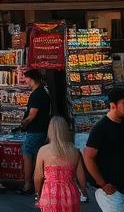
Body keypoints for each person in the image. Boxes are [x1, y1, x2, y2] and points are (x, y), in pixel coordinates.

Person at [82, 88, 124, 212]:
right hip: (110, 191)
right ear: (113, 105)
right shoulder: (100, 128)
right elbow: (88, 156)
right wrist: (102, 184)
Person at [34, 116, 85, 212]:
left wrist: (37, 194)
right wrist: (84, 192)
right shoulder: (74, 150)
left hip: (50, 194)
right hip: (70, 193)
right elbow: (81, 177)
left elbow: (38, 177)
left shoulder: (43, 150)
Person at [19, 69, 51, 197]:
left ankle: (27, 185)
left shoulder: (37, 94)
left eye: (26, 78)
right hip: (41, 129)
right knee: (36, 157)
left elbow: (32, 115)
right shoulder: (43, 91)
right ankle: (35, 183)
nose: (25, 81)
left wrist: (23, 123)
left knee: (27, 155)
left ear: (31, 79)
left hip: (35, 130)